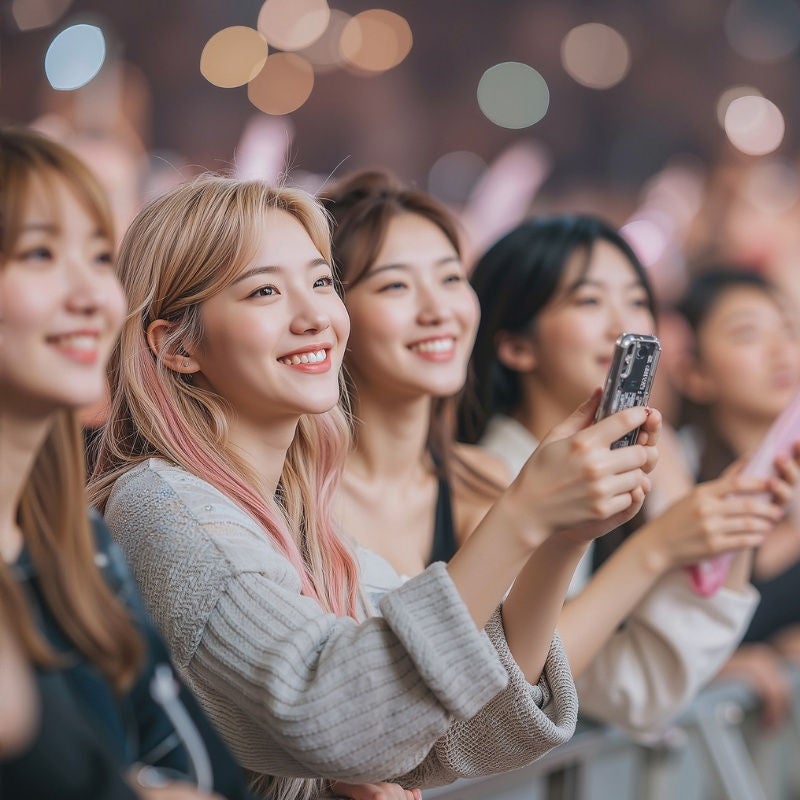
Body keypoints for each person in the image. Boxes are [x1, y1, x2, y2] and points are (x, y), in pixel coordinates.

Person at [88, 174, 661, 799]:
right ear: (174, 344)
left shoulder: (298, 510)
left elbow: (459, 721)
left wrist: (559, 538)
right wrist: (522, 515)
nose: (314, 316)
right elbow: (337, 716)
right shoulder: (166, 505)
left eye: (320, 281)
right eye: (264, 292)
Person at [460, 214, 798, 734]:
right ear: (514, 346)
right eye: (589, 300)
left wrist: (739, 528)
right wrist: (658, 547)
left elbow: (644, 681)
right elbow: (520, 694)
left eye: (638, 301)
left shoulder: (642, 464)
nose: (625, 324)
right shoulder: (484, 482)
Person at [0, 126, 249, 800]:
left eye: (101, 254)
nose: (92, 295)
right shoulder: (153, 504)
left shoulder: (81, 543)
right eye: (39, 253)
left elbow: (202, 770)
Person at [320, 171, 506, 584]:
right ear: (330, 309)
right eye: (396, 285)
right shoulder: (295, 494)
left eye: (451, 278)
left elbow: (521, 649)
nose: (438, 310)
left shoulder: (481, 481)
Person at [674, 267, 800, 728]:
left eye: (788, 329)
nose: (781, 351)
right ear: (694, 373)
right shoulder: (673, 485)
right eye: (748, 333)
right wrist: (716, 671)